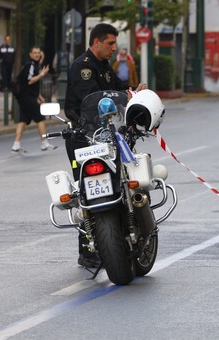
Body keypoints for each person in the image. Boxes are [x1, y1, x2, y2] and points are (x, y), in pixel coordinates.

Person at [65, 23, 147, 268]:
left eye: (114, 43)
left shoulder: (102, 65)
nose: (114, 48)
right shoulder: (83, 67)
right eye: (110, 43)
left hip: (106, 135)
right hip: (83, 137)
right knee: (86, 191)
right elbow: (93, 98)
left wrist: (132, 91)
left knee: (117, 183)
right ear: (97, 42)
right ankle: (87, 249)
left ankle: (120, 231)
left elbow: (115, 88)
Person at [10, 46, 56, 153]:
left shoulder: (34, 65)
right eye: (35, 53)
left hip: (25, 98)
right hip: (28, 98)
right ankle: (44, 143)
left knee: (22, 121)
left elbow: (30, 86)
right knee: (40, 118)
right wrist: (42, 74)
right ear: (30, 54)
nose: (37, 54)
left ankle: (16, 145)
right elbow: (29, 81)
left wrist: (39, 96)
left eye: (38, 53)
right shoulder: (30, 66)